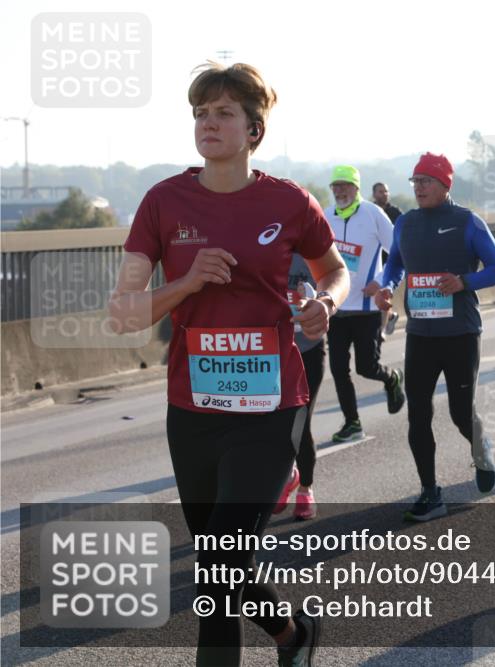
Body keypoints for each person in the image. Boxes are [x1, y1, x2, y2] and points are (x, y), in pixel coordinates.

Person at [107, 61, 349, 667]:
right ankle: (292, 634)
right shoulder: (163, 202)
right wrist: (185, 283)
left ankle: (288, 638)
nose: (207, 123)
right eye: (199, 113)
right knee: (220, 560)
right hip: (192, 410)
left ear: (253, 130)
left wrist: (325, 303)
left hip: (271, 407)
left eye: (223, 113)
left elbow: (335, 270)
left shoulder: (289, 202)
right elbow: (125, 311)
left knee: (217, 572)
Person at [376, 153, 495, 521]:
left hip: (461, 333)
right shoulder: (405, 223)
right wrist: (387, 287)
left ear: (445, 185)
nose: (418, 188)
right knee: (418, 414)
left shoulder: (467, 222)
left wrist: (463, 281)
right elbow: (396, 263)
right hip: (421, 333)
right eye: (414, 182)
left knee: (460, 412)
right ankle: (430, 493)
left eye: (425, 182)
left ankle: (481, 448)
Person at [324, 165, 405, 444]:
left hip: (367, 309)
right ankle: (352, 422)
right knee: (337, 369)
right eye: (335, 185)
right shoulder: (326, 216)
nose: (339, 190)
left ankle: (392, 378)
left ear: (356, 188)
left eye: (344, 185)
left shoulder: (372, 214)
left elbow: (398, 252)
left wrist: (381, 281)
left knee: (366, 367)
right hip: (336, 307)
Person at [272, 257, 326, 521]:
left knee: (300, 423)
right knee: (272, 423)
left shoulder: (313, 250)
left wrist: (319, 299)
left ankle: (306, 488)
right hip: (270, 352)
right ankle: (287, 476)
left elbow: (334, 284)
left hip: (308, 350)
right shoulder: (261, 246)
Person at [372, 181, 402, 336]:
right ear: (374, 194)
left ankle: (381, 332)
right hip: (372, 262)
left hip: (390, 262)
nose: (384, 194)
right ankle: (390, 317)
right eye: (380, 191)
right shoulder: (370, 212)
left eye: (386, 191)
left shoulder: (395, 213)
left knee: (384, 296)